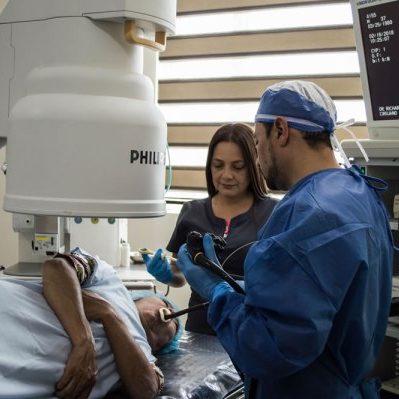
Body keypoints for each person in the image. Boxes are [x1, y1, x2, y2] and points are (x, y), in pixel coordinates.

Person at [176, 80, 394, 398]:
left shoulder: (309, 214)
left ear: (280, 130)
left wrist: (217, 290)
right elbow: (325, 296)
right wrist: (250, 289)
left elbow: (268, 348)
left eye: (257, 140)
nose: (258, 156)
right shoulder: (359, 193)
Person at [143, 123, 278, 335]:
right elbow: (182, 276)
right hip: (200, 329)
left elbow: (282, 284)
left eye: (237, 166)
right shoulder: (192, 212)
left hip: (250, 329)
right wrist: (168, 274)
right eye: (218, 165)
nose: (226, 175)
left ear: (254, 165)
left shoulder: (274, 213)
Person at [0, 248, 180, 399]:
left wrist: (110, 317)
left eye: (167, 335)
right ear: (148, 296)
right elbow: (57, 267)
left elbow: (146, 391)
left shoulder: (144, 358)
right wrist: (83, 340)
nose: (166, 320)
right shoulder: (108, 278)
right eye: (166, 306)